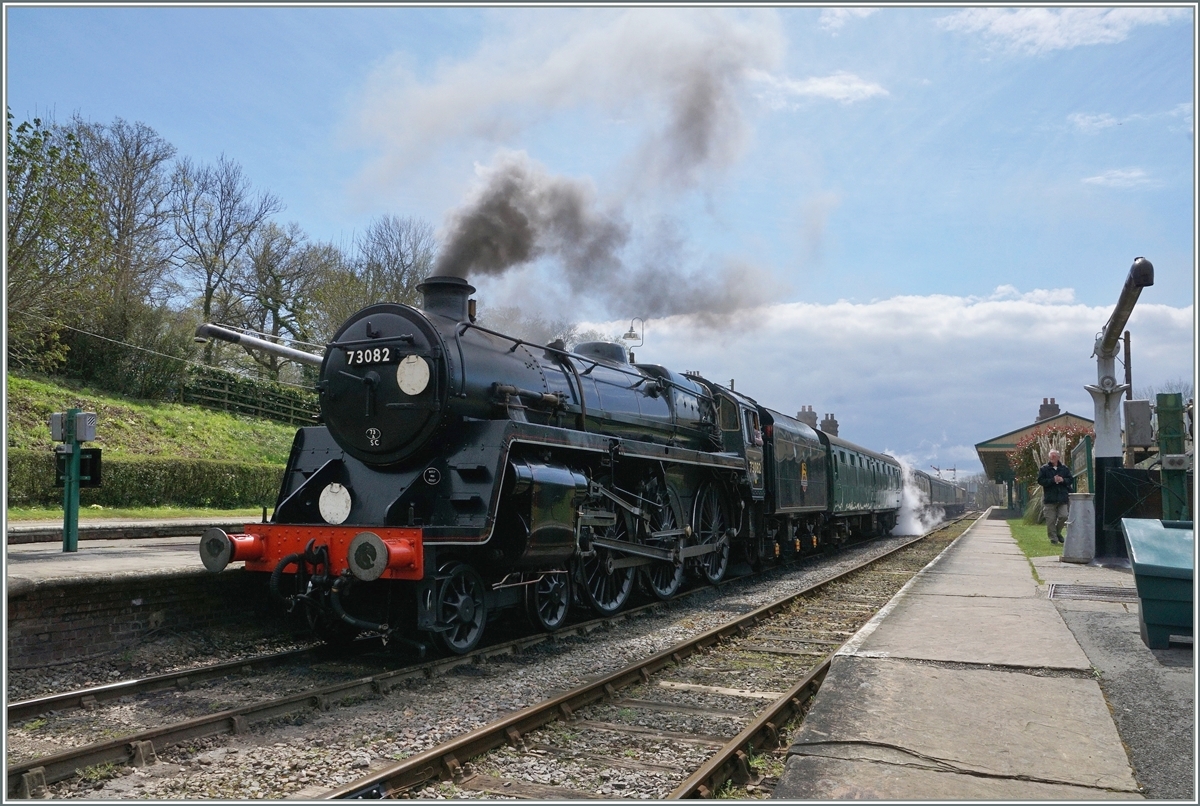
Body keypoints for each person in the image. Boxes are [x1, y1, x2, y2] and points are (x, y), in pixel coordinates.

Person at [1037, 449, 1074, 544]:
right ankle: (1053, 539)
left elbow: (1070, 480)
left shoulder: (1064, 468)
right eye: (1051, 456)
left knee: (1064, 516)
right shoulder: (1044, 469)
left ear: (1058, 457)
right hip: (1050, 498)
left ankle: (1057, 532)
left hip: (1062, 498)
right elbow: (1040, 481)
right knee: (1050, 520)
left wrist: (1063, 480)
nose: (1052, 458)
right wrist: (1052, 480)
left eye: (1054, 456)